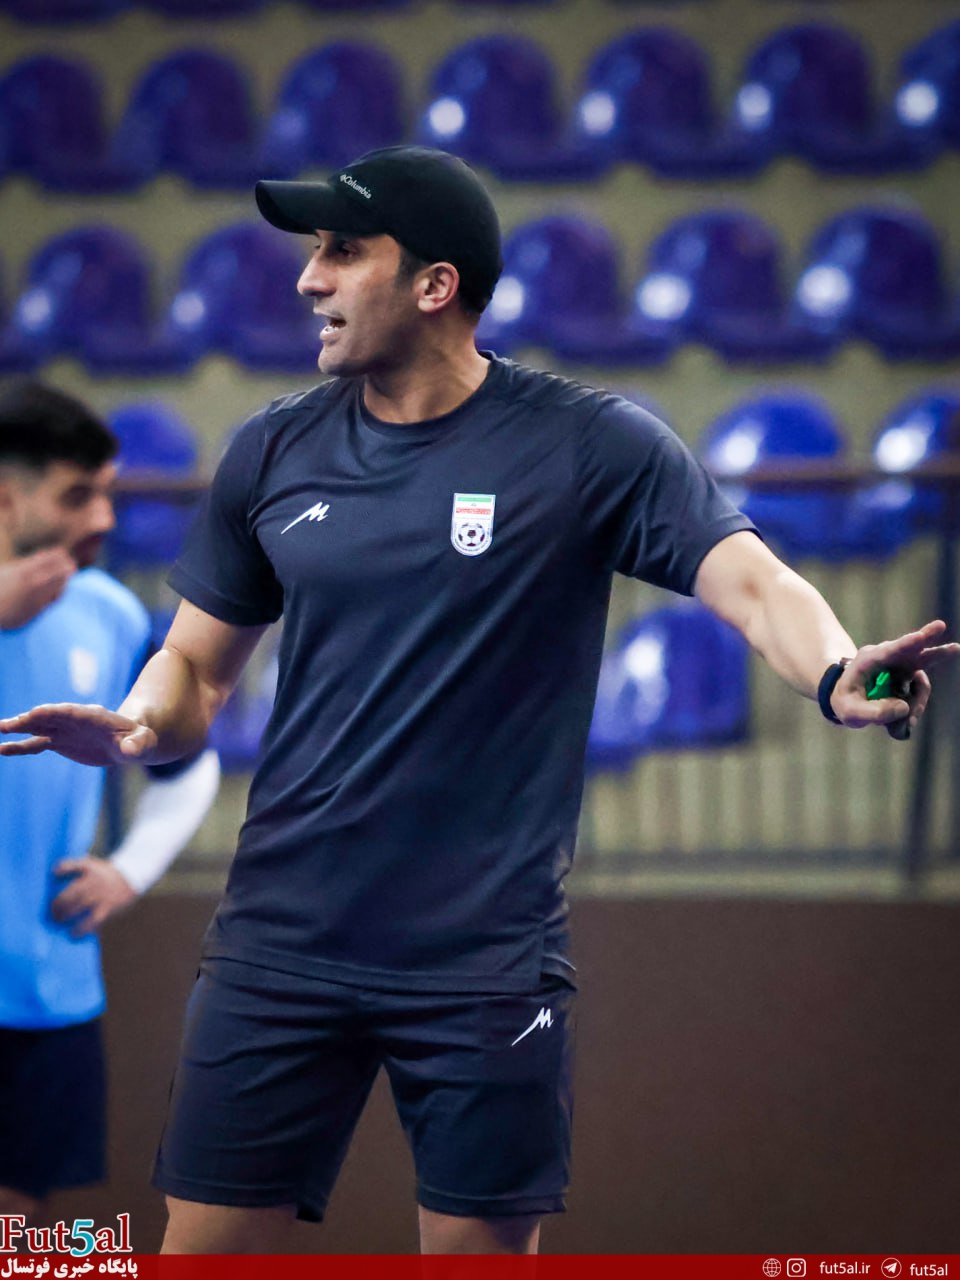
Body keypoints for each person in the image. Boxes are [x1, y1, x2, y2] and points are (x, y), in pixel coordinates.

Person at [0, 147, 955, 1257]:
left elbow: (754, 585)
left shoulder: (589, 443)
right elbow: (196, 667)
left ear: (435, 284)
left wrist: (837, 671)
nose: (309, 278)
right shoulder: (272, 448)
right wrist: (137, 724)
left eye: (342, 250)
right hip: (277, 944)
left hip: (484, 960)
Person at [0, 381, 220, 1226]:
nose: (102, 518)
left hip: (46, 994)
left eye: (106, 493)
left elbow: (185, 765)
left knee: (16, 1230)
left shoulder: (111, 612)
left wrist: (129, 870)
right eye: (76, 496)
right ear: (5, 498)